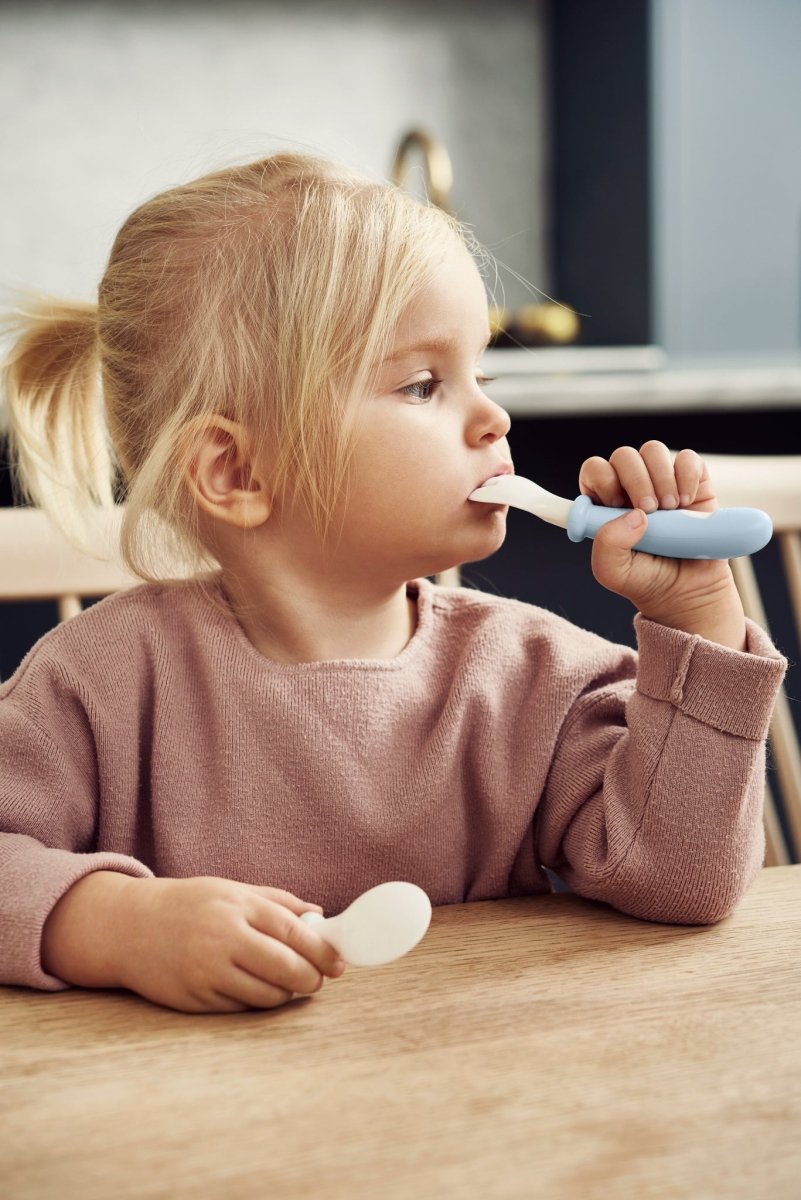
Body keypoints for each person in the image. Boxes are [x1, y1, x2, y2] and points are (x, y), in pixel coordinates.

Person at [0, 153, 786, 1014]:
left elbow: (683, 881)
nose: (495, 418)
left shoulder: (537, 679)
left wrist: (696, 616)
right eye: (423, 384)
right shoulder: (100, 685)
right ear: (236, 470)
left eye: (479, 374)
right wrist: (118, 922)